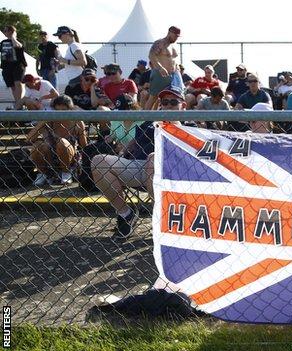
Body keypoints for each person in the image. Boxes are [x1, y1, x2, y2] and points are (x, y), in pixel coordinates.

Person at [92, 85, 184, 238]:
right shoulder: (151, 121)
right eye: (164, 102)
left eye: (173, 102)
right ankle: (125, 214)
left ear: (183, 105)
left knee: (154, 158)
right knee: (99, 161)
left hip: (174, 172)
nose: (168, 106)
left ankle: (162, 221)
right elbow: (135, 140)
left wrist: (174, 124)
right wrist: (123, 152)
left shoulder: (191, 125)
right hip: (141, 166)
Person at [26, 95, 88, 186]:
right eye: (58, 111)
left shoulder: (77, 121)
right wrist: (43, 122)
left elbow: (84, 146)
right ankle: (43, 174)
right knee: (38, 145)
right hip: (49, 157)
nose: (61, 114)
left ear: (70, 110)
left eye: (64, 111)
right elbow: (29, 139)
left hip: (70, 158)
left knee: (62, 142)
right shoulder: (49, 120)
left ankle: (66, 173)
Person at [145, 26, 183, 110]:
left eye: (178, 36)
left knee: (173, 98)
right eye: (175, 36)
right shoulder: (160, 43)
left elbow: (173, 59)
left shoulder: (173, 45)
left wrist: (177, 68)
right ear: (169, 33)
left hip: (173, 76)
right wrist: (160, 68)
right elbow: (151, 55)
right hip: (160, 74)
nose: (176, 38)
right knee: (153, 97)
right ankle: (145, 120)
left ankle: (161, 119)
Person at [1, 25, 27, 108]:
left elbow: (17, 46)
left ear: (11, 31)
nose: (4, 33)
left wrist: (13, 37)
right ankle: (17, 103)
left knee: (18, 83)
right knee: (12, 86)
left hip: (18, 65)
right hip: (7, 67)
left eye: (6, 31)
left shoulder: (19, 41)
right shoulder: (3, 42)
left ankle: (19, 102)